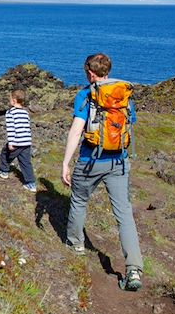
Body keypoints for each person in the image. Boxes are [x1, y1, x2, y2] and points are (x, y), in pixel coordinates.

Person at [60, 53, 143, 291]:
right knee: (124, 214)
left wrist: (66, 162)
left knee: (78, 200)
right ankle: (134, 269)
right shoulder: (124, 94)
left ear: (90, 72)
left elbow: (76, 131)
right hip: (118, 162)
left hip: (90, 160)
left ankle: (75, 244)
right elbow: (128, 125)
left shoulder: (86, 95)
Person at [0, 89, 36, 192]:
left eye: (10, 98)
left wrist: (11, 142)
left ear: (14, 100)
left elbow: (11, 128)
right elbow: (27, 127)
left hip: (16, 142)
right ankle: (31, 184)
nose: (9, 100)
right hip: (26, 142)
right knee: (26, 163)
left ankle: (3, 171)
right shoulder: (25, 113)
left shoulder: (10, 113)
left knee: (5, 154)